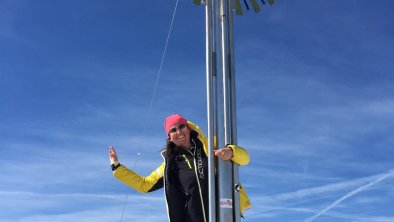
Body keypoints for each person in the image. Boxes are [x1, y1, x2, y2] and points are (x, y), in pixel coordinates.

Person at [109, 114, 251, 222]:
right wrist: (117, 167)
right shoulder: (171, 165)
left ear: (188, 128)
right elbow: (144, 185)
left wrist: (231, 152)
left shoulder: (210, 144)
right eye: (173, 130)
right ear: (170, 137)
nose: (179, 132)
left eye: (181, 126)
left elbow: (245, 158)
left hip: (223, 215)